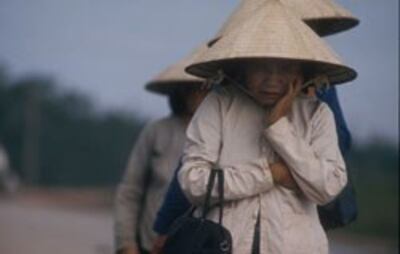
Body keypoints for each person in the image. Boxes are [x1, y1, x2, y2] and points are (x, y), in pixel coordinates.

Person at [158, 1, 357, 253]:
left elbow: (328, 187)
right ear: (243, 66)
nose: (272, 79)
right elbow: (193, 182)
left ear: (301, 70)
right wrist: (270, 175)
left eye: (284, 67)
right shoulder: (219, 105)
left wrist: (279, 126)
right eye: (261, 67)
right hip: (224, 245)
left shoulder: (317, 113)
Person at [114, 46, 209, 254]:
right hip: (151, 244)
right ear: (181, 92)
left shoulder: (221, 135)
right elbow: (130, 190)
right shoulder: (157, 131)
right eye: (192, 89)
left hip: (198, 245)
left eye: (205, 88)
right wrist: (127, 244)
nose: (199, 95)